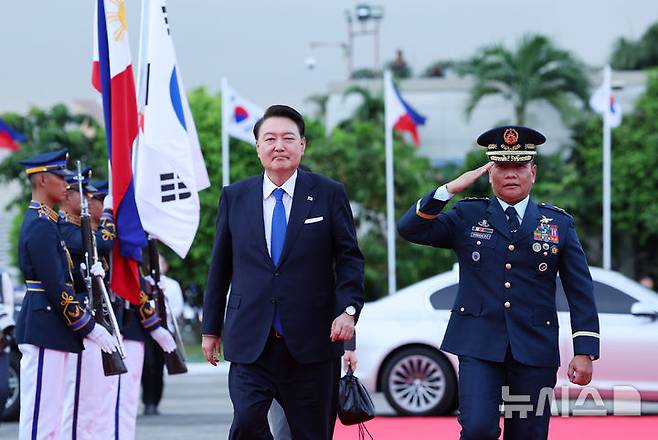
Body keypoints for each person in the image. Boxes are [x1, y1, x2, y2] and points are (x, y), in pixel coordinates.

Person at [398, 126, 600, 440]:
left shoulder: (558, 223)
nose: (510, 174)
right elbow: (411, 229)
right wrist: (448, 190)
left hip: (533, 348)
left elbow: (580, 290)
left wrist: (584, 349)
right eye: (502, 167)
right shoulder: (467, 216)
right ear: (490, 173)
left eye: (518, 166)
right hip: (478, 345)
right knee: (477, 428)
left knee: (527, 433)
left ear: (533, 172)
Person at [201, 104, 365, 440]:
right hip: (252, 340)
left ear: (302, 145)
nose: (279, 146)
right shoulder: (236, 197)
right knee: (246, 422)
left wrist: (348, 312)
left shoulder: (328, 193)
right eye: (270, 138)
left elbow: (349, 258)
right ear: (257, 145)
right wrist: (210, 328)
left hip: (313, 341)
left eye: (288, 138)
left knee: (312, 433)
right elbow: (221, 266)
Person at [15, 150, 118, 439]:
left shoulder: (47, 223)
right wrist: (88, 326)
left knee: (50, 418)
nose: (65, 183)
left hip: (52, 327)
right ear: (44, 180)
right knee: (40, 421)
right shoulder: (39, 224)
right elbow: (55, 285)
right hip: (43, 325)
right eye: (60, 177)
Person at [89, 180, 175, 436]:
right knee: (97, 403)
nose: (95, 205)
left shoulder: (125, 239)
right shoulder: (90, 237)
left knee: (125, 401)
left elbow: (135, 284)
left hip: (129, 326)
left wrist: (153, 324)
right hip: (99, 328)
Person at [268, 340, 358, 439]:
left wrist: (349, 345)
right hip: (275, 355)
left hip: (315, 358)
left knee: (314, 429)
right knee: (281, 430)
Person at [141, 253, 182, 416]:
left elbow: (178, 308)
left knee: (158, 367)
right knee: (147, 366)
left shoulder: (172, 285)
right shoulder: (145, 283)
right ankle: (147, 401)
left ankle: (155, 401)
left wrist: (164, 312)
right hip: (147, 330)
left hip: (166, 329)